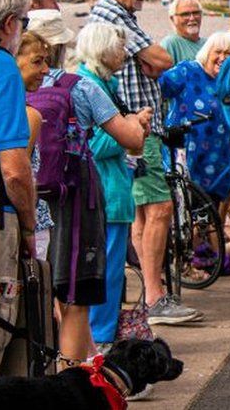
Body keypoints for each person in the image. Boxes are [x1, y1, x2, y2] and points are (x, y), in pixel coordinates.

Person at [87, 0, 197, 323]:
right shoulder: (114, 16)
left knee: (141, 213)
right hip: (136, 125)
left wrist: (152, 60)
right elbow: (160, 58)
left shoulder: (118, 16)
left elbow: (156, 60)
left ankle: (149, 294)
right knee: (159, 209)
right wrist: (151, 59)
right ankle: (155, 297)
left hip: (131, 123)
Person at [34, 23, 150, 366]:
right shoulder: (81, 87)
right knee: (75, 297)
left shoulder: (13, 85)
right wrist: (135, 122)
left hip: (28, 200)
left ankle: (80, 362)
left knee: (40, 293)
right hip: (75, 199)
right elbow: (132, 141)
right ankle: (72, 382)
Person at [72, 23, 148, 349]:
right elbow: (97, 145)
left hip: (107, 190)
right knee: (108, 271)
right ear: (104, 49)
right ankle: (101, 338)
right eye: (119, 47)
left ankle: (99, 334)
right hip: (105, 192)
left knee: (105, 269)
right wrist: (133, 126)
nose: (124, 53)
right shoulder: (91, 87)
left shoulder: (99, 83)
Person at [0, 0, 37, 377]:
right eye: (24, 23)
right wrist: (28, 229)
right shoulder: (1, 66)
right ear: (8, 24)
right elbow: (14, 169)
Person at [160, 31, 230, 205]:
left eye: (228, 54)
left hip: (218, 159)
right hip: (185, 154)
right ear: (207, 53)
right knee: (182, 209)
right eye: (218, 52)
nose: (222, 58)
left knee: (210, 213)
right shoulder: (187, 71)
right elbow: (159, 85)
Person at [13, 33, 55, 261]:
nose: (46, 70)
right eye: (37, 61)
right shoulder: (29, 116)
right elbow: (19, 175)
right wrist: (28, 227)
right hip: (24, 225)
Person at [160, 0, 205, 65]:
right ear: (173, 19)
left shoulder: (208, 44)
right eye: (185, 14)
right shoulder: (170, 44)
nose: (192, 18)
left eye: (196, 13)